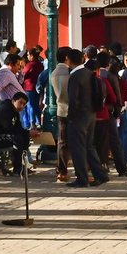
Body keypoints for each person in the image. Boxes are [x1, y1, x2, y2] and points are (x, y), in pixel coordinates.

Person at [64, 48, 108, 188]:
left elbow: (73, 100)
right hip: (91, 114)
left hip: (79, 117)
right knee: (89, 146)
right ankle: (100, 174)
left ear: (68, 60)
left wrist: (70, 117)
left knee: (78, 148)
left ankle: (82, 178)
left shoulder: (75, 77)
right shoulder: (89, 73)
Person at [0, 92, 33, 176]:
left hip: (2, 135)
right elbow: (8, 128)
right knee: (17, 139)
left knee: (24, 137)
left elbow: (18, 127)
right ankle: (17, 169)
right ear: (13, 101)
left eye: (24, 104)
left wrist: (27, 133)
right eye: (20, 103)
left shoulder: (14, 110)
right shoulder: (4, 109)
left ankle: (24, 164)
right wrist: (27, 132)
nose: (22, 106)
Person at [50, 48, 73, 182]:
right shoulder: (70, 72)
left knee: (62, 141)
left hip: (60, 109)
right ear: (66, 58)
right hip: (71, 108)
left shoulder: (53, 73)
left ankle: (61, 169)